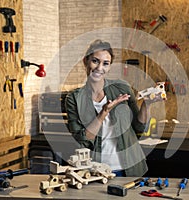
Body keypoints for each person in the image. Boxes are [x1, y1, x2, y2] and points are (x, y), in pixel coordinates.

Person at [66, 39, 163, 177]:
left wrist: (147, 105)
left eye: (106, 63)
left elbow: (139, 127)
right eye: (95, 61)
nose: (100, 68)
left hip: (130, 167)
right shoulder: (74, 98)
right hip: (96, 170)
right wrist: (104, 112)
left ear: (110, 66)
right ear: (85, 61)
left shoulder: (122, 88)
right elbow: (82, 140)